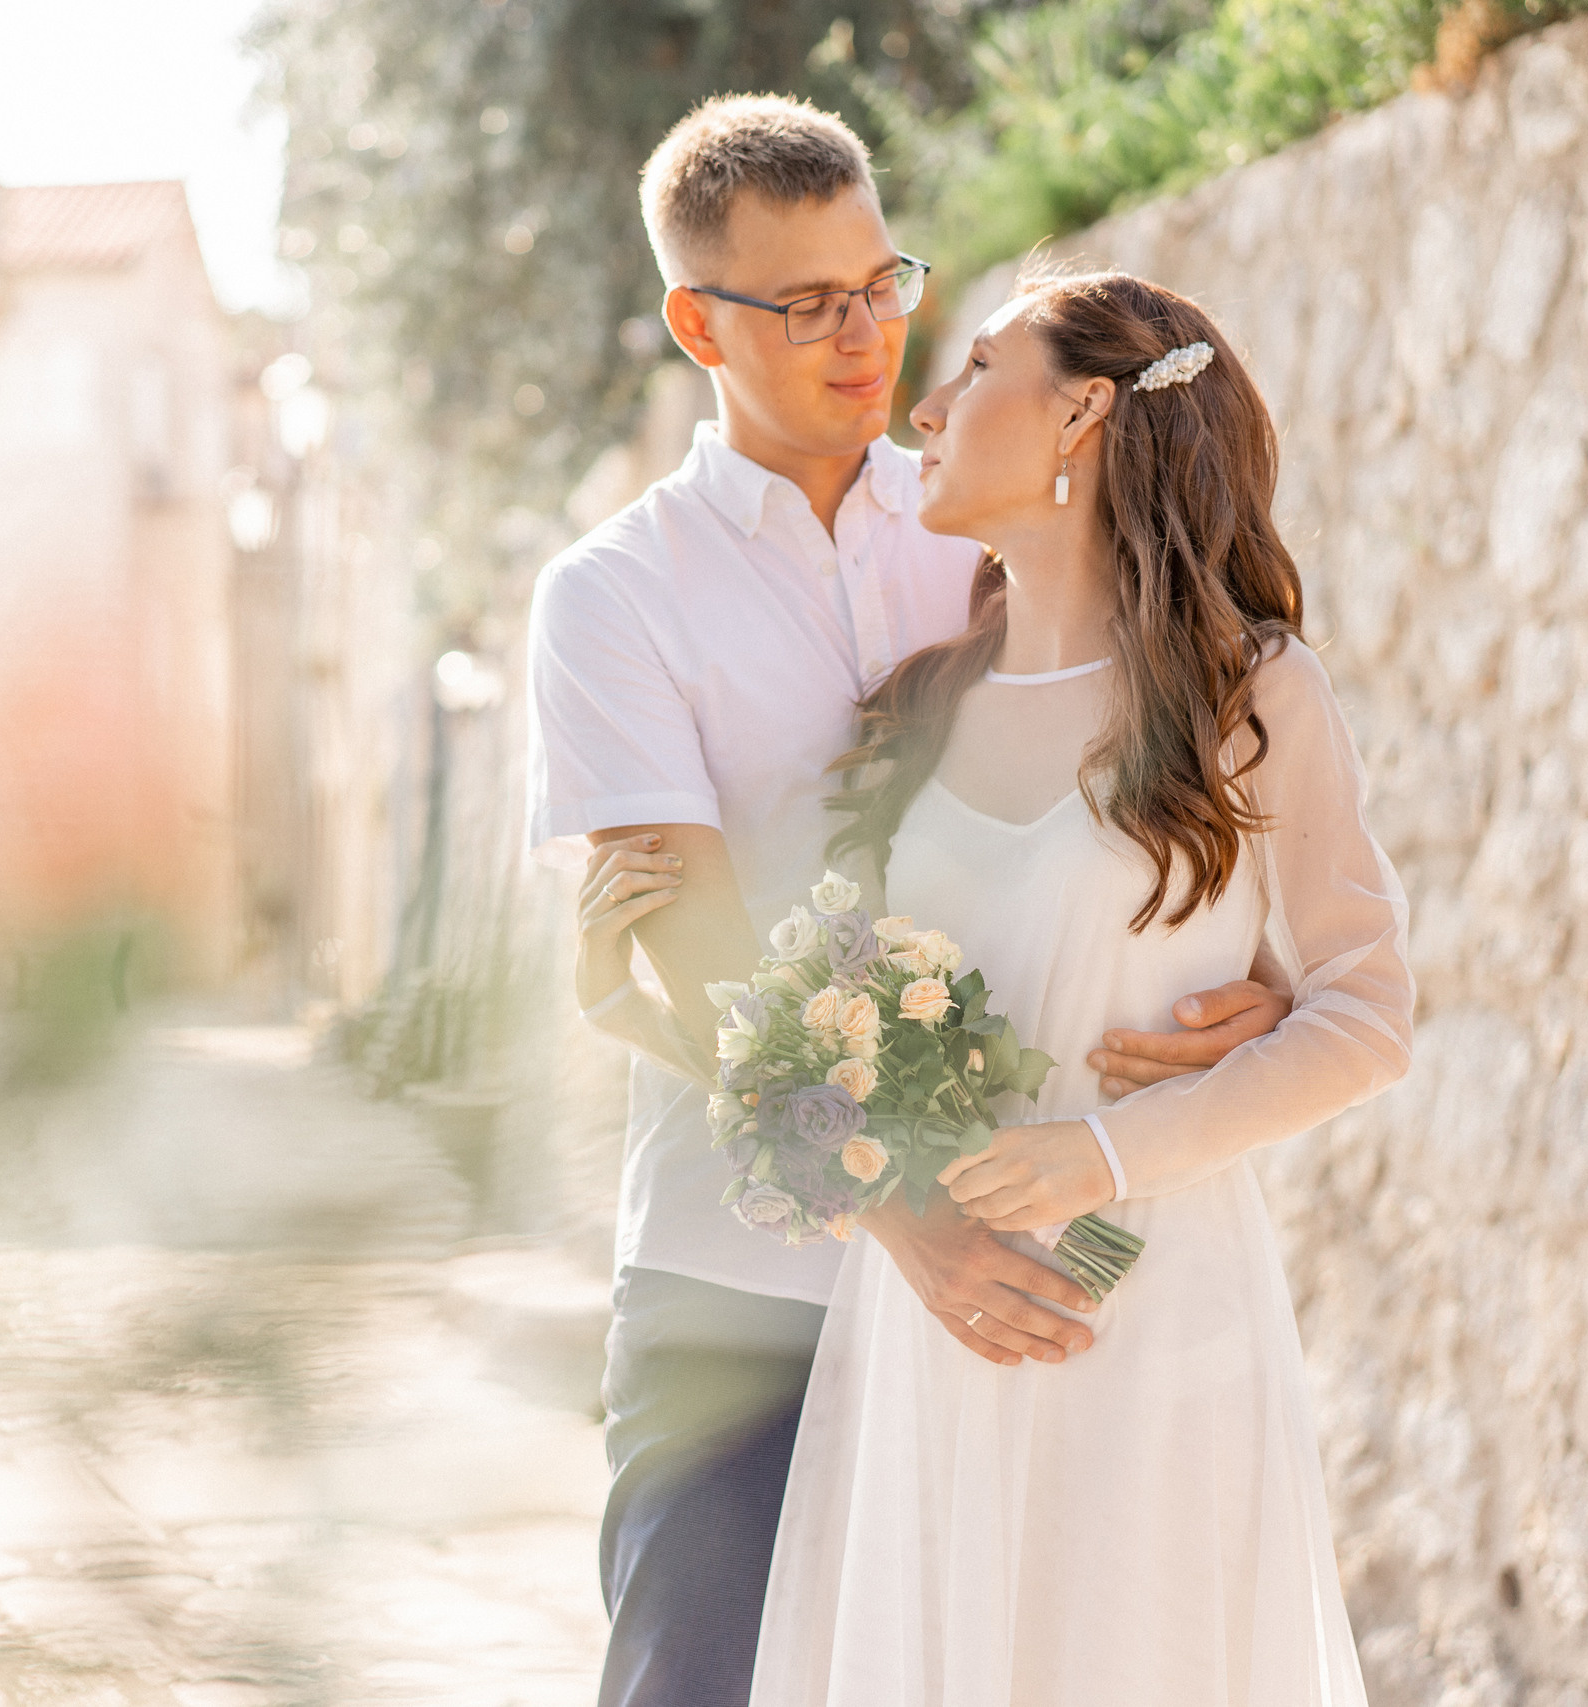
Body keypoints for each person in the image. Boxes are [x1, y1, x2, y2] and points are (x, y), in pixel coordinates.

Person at [525, 97, 1294, 1707]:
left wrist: (1259, 980)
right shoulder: (613, 599)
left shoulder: (994, 529)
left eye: (882, 285)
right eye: (808, 305)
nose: (867, 336)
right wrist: (903, 1221)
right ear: (698, 325)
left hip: (1024, 1262)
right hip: (746, 1290)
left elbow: (1173, 785)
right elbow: (694, 952)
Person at [739, 268, 1415, 1703]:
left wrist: (1102, 1153)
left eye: (979, 368)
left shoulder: (1252, 695)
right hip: (937, 1318)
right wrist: (899, 1206)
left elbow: (1367, 1012)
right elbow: (810, 1025)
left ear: (1082, 413)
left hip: (1149, 1308)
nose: (927, 408)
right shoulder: (916, 710)